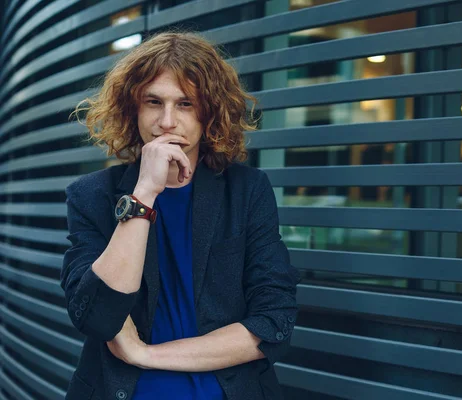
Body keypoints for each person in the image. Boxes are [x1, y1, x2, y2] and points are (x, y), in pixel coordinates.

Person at [61, 32, 300, 400]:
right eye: (153, 102)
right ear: (133, 108)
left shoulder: (247, 191)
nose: (167, 121)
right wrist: (143, 195)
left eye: (186, 104)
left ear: (210, 112)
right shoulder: (92, 196)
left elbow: (274, 323)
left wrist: (146, 354)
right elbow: (96, 316)